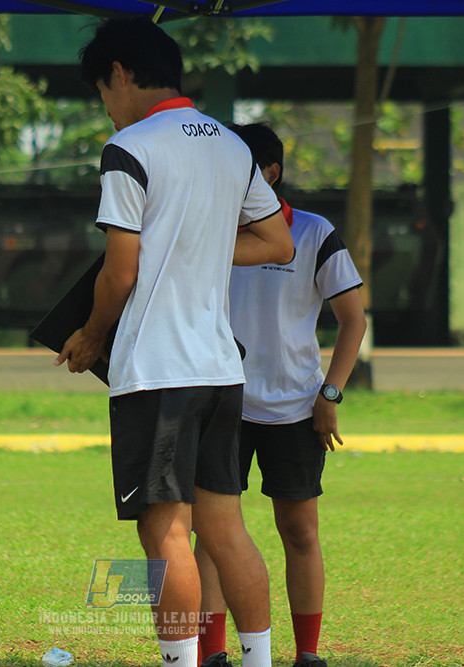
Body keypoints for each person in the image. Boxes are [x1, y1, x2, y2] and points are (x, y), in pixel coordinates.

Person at [57, 18, 294, 667]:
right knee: (227, 530)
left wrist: (90, 336)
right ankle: (260, 659)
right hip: (221, 369)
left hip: (158, 371)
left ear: (121, 74)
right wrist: (201, 248)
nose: (107, 108)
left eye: (103, 93)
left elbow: (121, 272)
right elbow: (279, 243)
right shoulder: (231, 146)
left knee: (166, 533)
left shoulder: (128, 147)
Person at [194, 123, 367, 667]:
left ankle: (307, 654)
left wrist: (329, 394)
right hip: (222, 403)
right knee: (212, 535)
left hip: (296, 408)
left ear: (269, 174)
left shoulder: (314, 233)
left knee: (300, 531)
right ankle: (212, 654)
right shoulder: (207, 230)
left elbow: (353, 319)